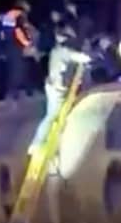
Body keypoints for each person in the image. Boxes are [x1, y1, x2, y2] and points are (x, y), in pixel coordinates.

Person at [27, 23, 91, 155]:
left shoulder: (56, 51)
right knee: (51, 116)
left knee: (55, 114)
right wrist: (90, 51)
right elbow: (84, 59)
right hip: (57, 89)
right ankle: (36, 143)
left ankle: (46, 142)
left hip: (54, 86)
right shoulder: (65, 52)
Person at [0, 0, 35, 98]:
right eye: (27, 5)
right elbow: (19, 30)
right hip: (18, 45)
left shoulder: (8, 15)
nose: (29, 7)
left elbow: (5, 32)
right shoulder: (19, 14)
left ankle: (16, 90)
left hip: (10, 45)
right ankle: (23, 90)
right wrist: (27, 43)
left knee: (14, 68)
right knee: (22, 68)